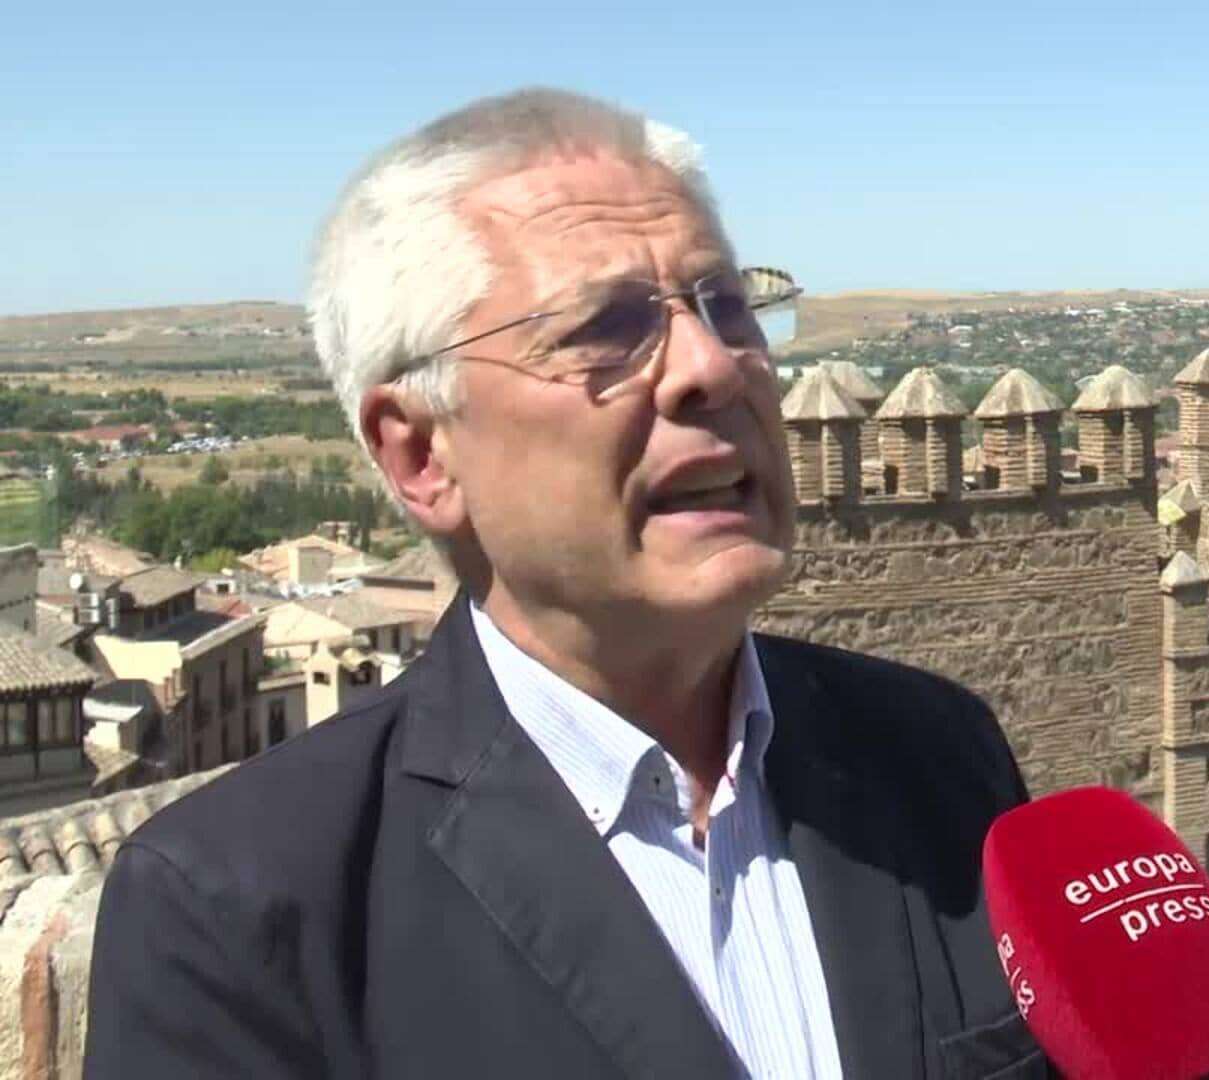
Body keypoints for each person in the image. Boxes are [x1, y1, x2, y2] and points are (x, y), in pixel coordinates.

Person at [85, 89, 1042, 1079]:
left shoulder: (938, 752)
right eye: (604, 328)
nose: (713, 366)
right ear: (421, 457)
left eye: (727, 306)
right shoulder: (240, 910)